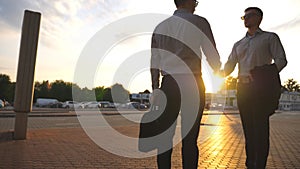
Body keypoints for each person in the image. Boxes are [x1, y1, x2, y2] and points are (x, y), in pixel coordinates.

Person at [150, 0, 221, 168]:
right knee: (190, 139)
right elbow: (212, 55)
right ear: (189, 2)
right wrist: (218, 70)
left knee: (164, 138)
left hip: (169, 84)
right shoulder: (199, 22)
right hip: (192, 83)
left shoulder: (161, 27)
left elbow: (154, 61)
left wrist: (156, 88)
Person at [221, 7, 287, 169]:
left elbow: (281, 60)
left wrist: (265, 74)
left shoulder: (269, 38)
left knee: (260, 130)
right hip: (242, 90)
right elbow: (228, 67)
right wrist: (215, 70)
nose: (246, 19)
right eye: (244, 17)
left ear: (259, 18)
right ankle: (250, 164)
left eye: (249, 16)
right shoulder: (238, 44)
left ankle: (260, 165)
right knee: (249, 131)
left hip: (260, 89)